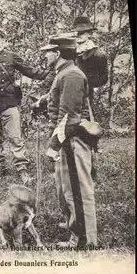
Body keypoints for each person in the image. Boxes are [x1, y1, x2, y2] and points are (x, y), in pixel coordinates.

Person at [40, 36, 97, 247]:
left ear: (59, 54)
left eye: (49, 51)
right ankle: (74, 225)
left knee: (78, 191)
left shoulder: (71, 75)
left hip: (72, 140)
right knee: (66, 189)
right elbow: (60, 98)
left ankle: (84, 240)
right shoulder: (64, 73)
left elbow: (69, 117)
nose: (45, 54)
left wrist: (53, 146)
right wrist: (43, 100)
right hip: (67, 139)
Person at [0, 28, 49, 183]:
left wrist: (49, 74)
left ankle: (22, 169)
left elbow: (30, 71)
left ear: (3, 41)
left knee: (15, 138)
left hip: (8, 102)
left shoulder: (11, 57)